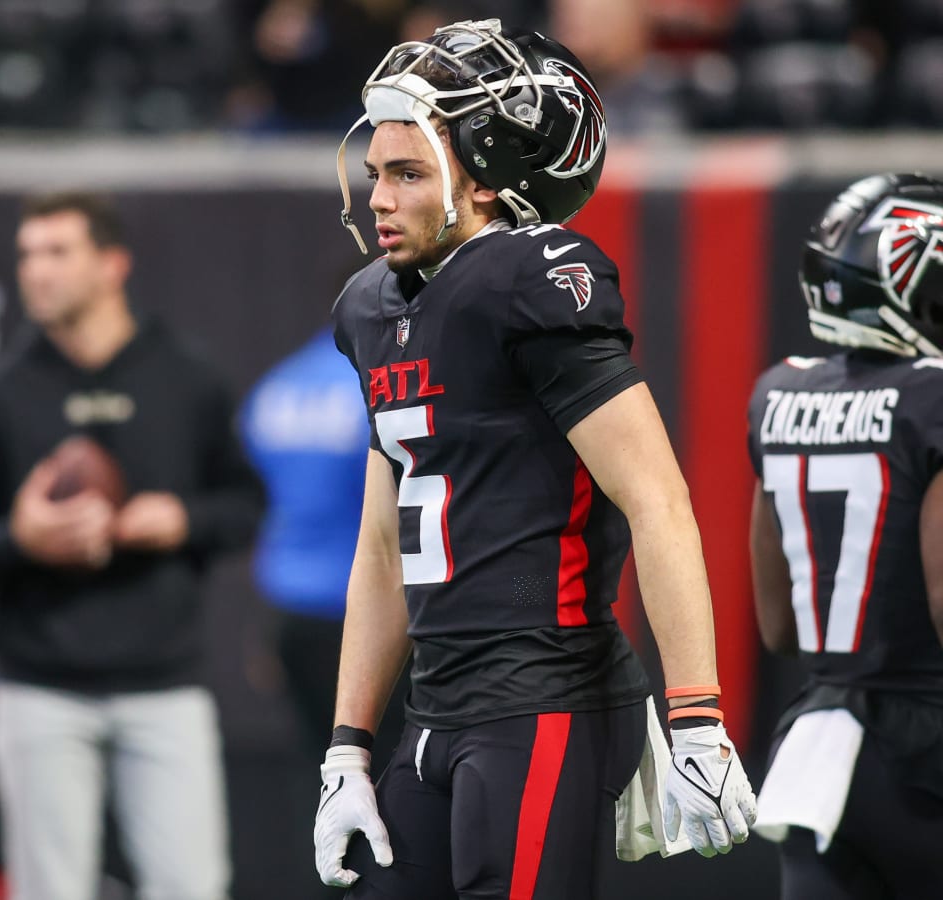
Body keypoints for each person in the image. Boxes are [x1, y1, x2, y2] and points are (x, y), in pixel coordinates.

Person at [313, 17, 757, 899]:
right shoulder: (372, 309)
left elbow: (657, 498)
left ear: (483, 183)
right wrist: (347, 747)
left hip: (542, 696)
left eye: (407, 174)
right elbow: (379, 544)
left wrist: (698, 713)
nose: (379, 199)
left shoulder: (527, 279)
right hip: (435, 707)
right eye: (376, 176)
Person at [0, 191, 265, 900]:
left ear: (113, 264)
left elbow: (246, 506)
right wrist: (19, 538)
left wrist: (182, 519)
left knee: (191, 885)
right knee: (51, 889)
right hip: (40, 686)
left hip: (164, 683)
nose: (36, 272)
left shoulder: (186, 376)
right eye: (27, 255)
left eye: (57, 253)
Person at [746, 172, 943, 899]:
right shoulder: (930, 401)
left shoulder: (780, 393)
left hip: (819, 753)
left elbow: (777, 625)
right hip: (926, 752)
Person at [239, 324, 407, 899]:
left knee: (322, 783)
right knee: (388, 788)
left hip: (294, 620)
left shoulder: (278, 386)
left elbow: (267, 502)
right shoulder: (384, 386)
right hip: (373, 621)